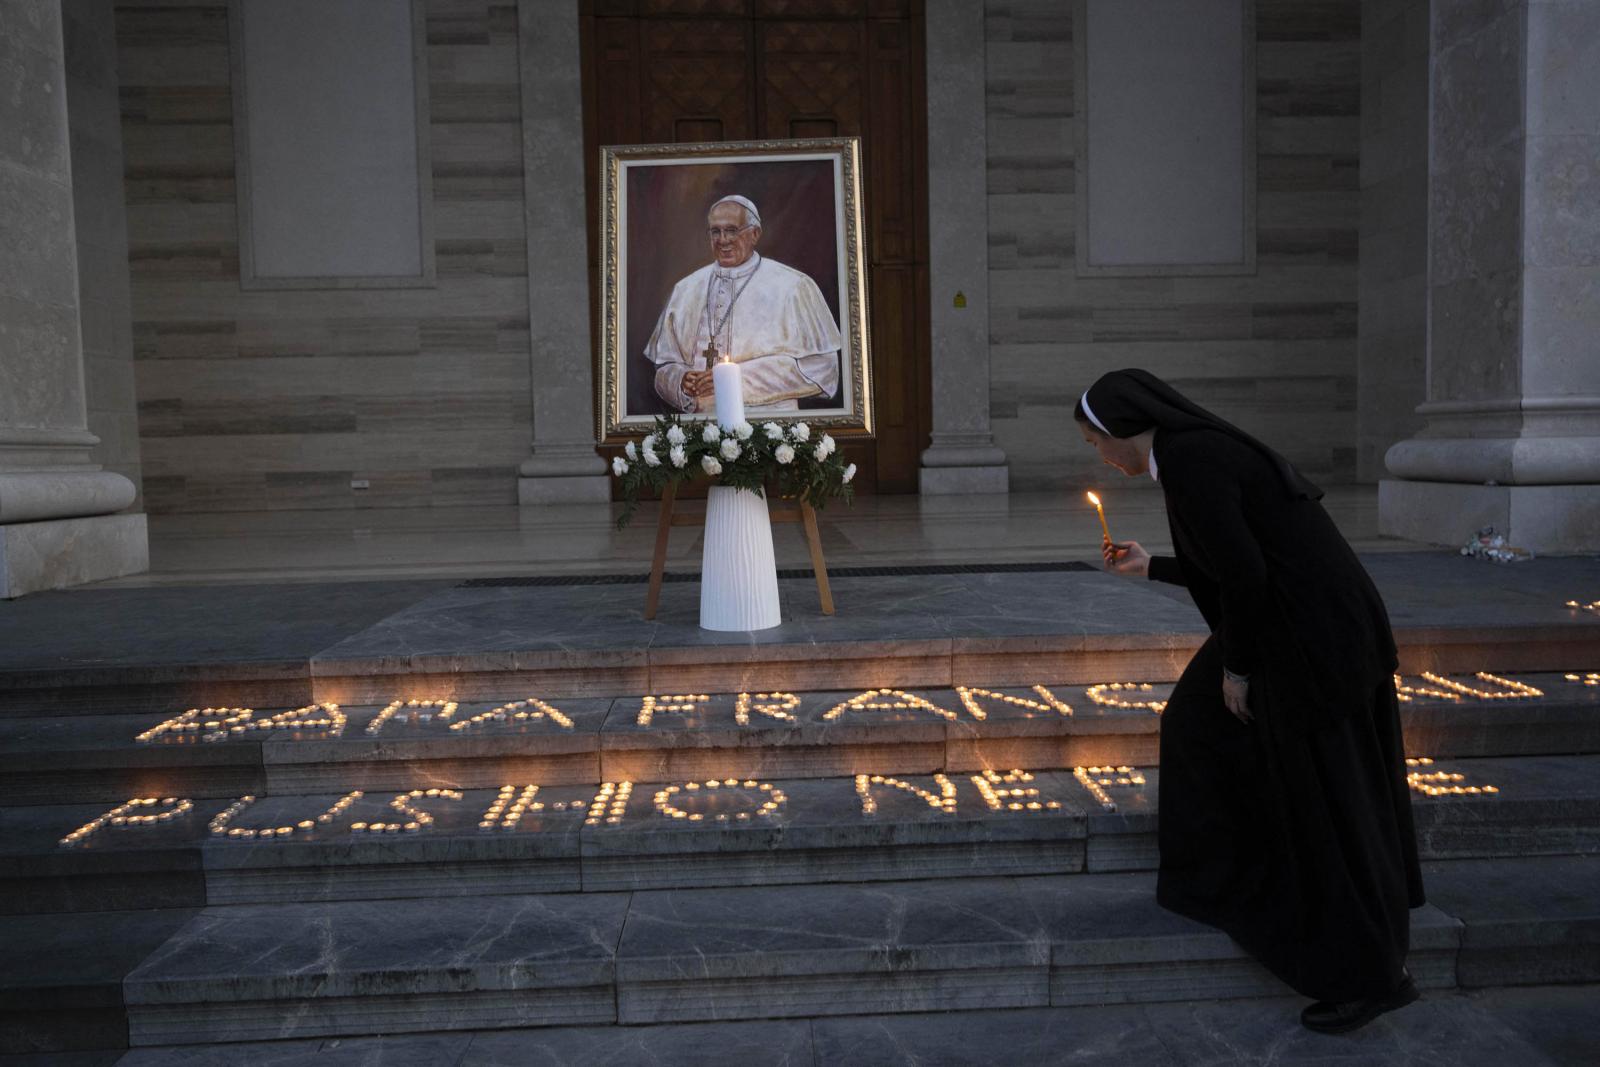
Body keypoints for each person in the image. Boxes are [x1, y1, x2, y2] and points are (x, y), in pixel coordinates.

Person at [1076, 368, 1424, 1034]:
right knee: (1198, 726)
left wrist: (1237, 668)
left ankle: (1371, 976)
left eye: (1094, 440)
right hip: (1301, 622)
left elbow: (1244, 574)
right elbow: (1241, 562)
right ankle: (1225, 878)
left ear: (1122, 429)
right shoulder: (1192, 452)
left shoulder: (1193, 461)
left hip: (1311, 639)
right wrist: (1153, 567)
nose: (1098, 454)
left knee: (1330, 795)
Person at [645, 195, 842, 415]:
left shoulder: (795, 287)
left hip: (772, 426)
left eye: (732, 230)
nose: (723, 240)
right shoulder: (686, 289)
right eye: (715, 231)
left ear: (754, 234)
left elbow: (823, 371)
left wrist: (735, 379)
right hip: (700, 430)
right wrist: (680, 382)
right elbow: (663, 368)